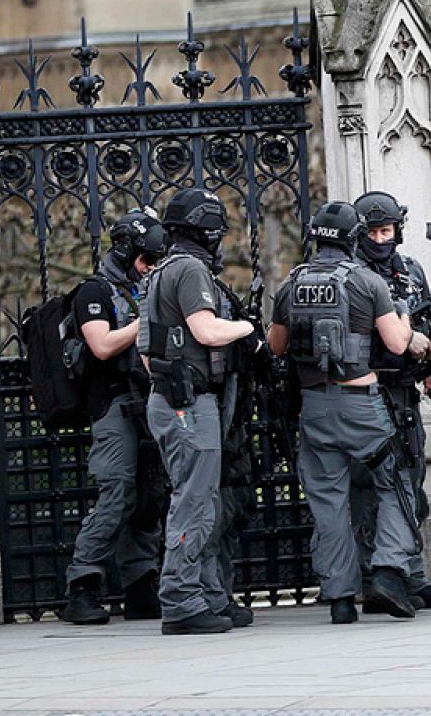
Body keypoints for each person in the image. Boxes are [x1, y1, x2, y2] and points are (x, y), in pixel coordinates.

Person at [267, 200, 430, 624]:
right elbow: (396, 343)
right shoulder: (366, 282)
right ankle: (390, 571)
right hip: (361, 404)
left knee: (328, 504)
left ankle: (340, 598)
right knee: (396, 482)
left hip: (313, 407)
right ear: (353, 237)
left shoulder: (292, 283)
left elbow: (276, 346)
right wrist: (406, 318)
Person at [138, 188, 258, 635]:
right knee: (195, 503)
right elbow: (206, 331)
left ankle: (204, 595)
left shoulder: (160, 271)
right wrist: (247, 327)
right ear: (206, 231)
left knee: (197, 498)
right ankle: (182, 600)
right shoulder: (189, 269)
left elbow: (147, 350)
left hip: (172, 400)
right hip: (189, 405)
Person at [58, 210, 170, 626]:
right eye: (146, 260)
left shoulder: (146, 287)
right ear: (125, 252)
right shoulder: (94, 291)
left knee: (148, 496)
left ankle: (142, 584)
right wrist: (146, 322)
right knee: (118, 491)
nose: (151, 268)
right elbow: (102, 345)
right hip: (112, 405)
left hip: (149, 402)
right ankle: (82, 585)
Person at [349, 190, 431, 612]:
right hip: (365, 390)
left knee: (411, 479)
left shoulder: (410, 270)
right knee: (369, 487)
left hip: (403, 390)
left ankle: (412, 574)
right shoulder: (352, 274)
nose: (380, 239)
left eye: (386, 230)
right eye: (373, 231)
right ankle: (372, 577)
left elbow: (428, 320)